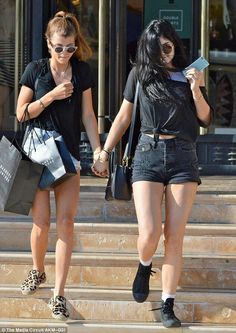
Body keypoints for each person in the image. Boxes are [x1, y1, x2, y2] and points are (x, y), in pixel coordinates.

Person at [92, 19, 213, 328]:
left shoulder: (189, 73)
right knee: (149, 232)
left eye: (168, 47)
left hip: (183, 156)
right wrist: (104, 151)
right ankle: (144, 264)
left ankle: (168, 304)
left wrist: (195, 88)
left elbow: (205, 118)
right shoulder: (140, 74)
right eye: (157, 49)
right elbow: (123, 116)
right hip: (147, 154)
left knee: (174, 237)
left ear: (175, 43)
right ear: (148, 50)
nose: (164, 54)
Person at [16, 11, 102, 321]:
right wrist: (51, 95)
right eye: (58, 47)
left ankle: (59, 294)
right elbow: (21, 113)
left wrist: (98, 149)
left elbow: (88, 115)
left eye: (70, 47)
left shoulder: (81, 71)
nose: (64, 54)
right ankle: (38, 270)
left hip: (67, 157)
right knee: (42, 223)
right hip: (37, 156)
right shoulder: (35, 69)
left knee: (66, 223)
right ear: (48, 44)